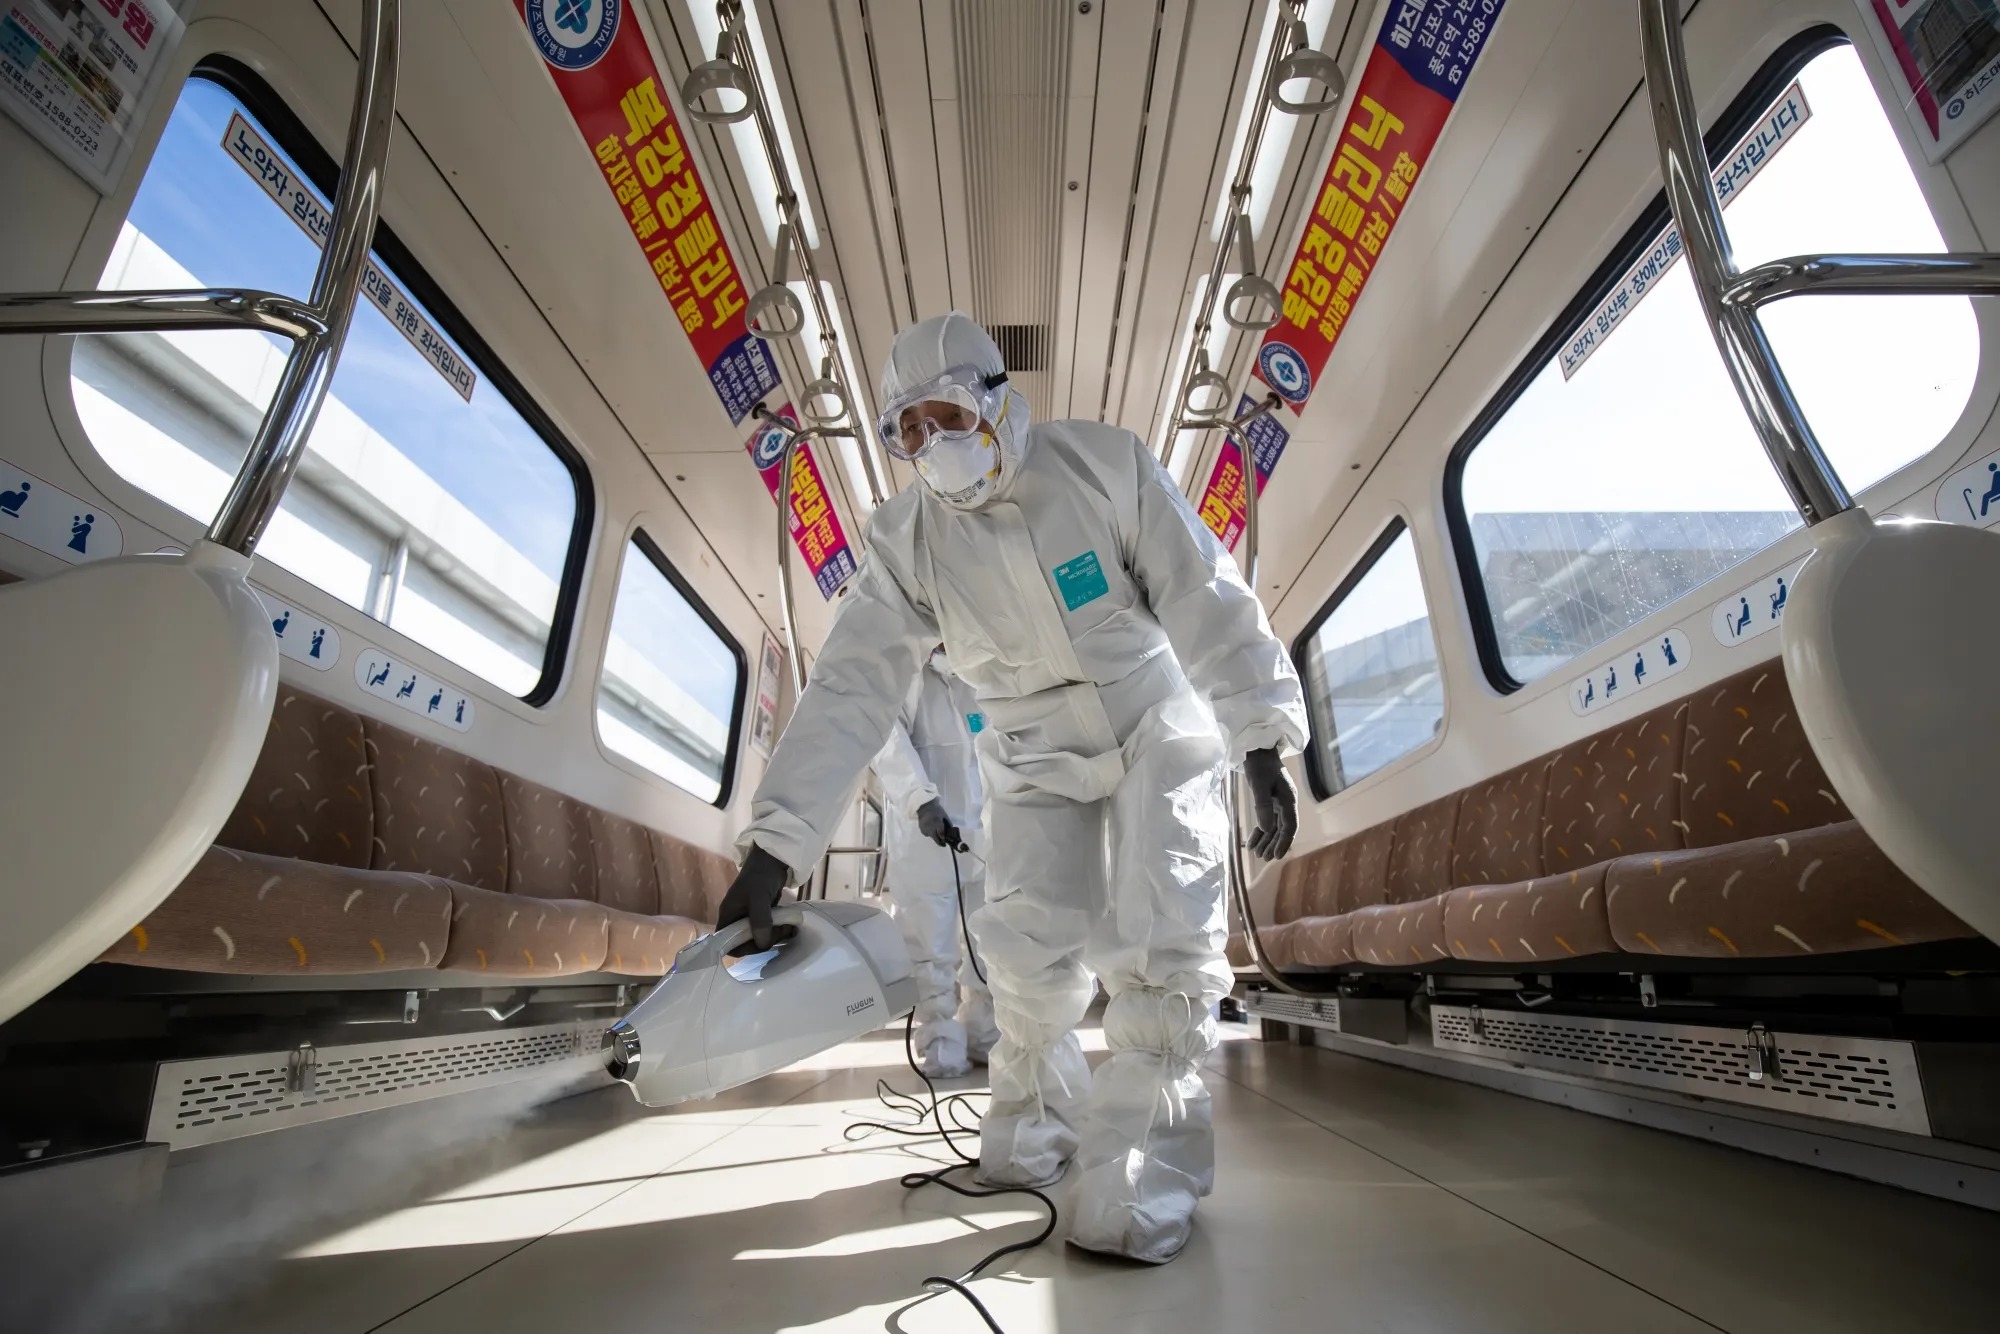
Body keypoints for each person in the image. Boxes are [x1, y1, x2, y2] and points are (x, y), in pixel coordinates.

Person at [718, 311, 1306, 1263]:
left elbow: (1206, 592)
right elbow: (851, 684)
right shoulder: (905, 541)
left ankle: (1145, 1170)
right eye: (905, 430)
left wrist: (1260, 737)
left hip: (1150, 718)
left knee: (1158, 939)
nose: (929, 444)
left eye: (944, 414)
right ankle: (1035, 1131)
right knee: (1027, 956)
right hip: (1029, 751)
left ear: (996, 400)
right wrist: (775, 846)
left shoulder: (1103, 468)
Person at [872, 645, 998, 1079]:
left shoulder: (984, 666)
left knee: (989, 936)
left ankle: (985, 1029)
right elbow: (885, 735)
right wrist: (919, 799)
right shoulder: (905, 668)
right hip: (927, 827)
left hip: (985, 826)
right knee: (931, 944)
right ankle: (941, 1040)